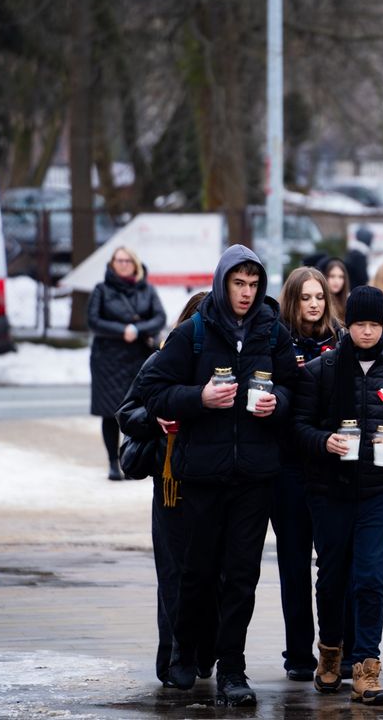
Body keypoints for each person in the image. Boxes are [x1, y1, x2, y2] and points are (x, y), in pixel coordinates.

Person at [142, 244, 300, 707]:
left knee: (242, 577)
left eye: (253, 284)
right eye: (239, 283)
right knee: (197, 573)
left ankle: (232, 668)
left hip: (254, 477)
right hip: (202, 477)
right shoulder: (193, 333)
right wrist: (199, 399)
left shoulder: (273, 335)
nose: (247, 293)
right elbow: (152, 391)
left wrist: (278, 406)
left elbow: (295, 389)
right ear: (222, 282)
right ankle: (187, 653)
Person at [292, 286, 383, 705]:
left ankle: (367, 668)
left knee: (370, 578)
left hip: (379, 491)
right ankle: (330, 655)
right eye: (359, 324)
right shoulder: (321, 370)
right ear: (346, 325)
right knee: (331, 578)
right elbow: (298, 426)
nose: (366, 332)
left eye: (374, 325)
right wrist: (323, 441)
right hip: (329, 489)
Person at [115, 291, 213, 687]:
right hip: (171, 484)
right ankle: (172, 658)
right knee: (174, 574)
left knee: (213, 576)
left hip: (214, 482)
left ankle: (204, 654)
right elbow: (127, 413)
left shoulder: (225, 365)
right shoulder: (161, 361)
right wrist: (159, 420)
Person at [272, 267, 343, 683]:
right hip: (289, 467)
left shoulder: (341, 339)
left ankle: (336, 648)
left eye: (319, 296)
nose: (314, 304)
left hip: (333, 465)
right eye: (306, 297)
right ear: (293, 300)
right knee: (293, 563)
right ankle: (298, 652)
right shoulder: (278, 339)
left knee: (333, 564)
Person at [88, 246, 167, 481]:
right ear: (112, 264)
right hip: (108, 360)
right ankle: (113, 462)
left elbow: (159, 317)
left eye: (127, 261)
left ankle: (130, 461)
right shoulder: (101, 290)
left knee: (134, 412)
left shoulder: (147, 290)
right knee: (109, 412)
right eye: (118, 261)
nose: (122, 264)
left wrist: (137, 329)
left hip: (138, 359)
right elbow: (93, 320)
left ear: (135, 264)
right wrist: (122, 331)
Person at [318, 258, 351, 327]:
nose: (337, 281)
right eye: (332, 276)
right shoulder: (321, 301)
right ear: (325, 277)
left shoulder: (349, 300)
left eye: (341, 277)